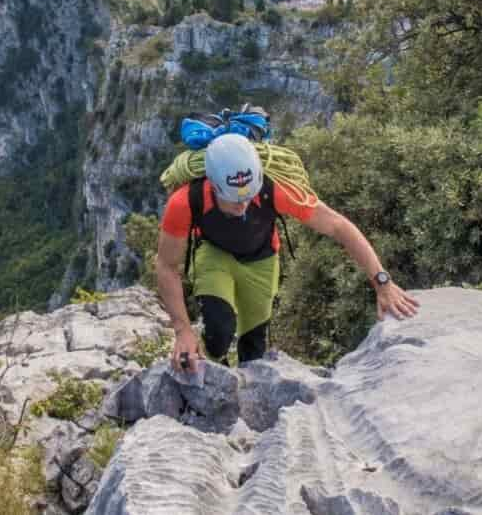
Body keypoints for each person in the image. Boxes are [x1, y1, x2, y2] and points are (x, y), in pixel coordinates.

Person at [156, 133, 420, 372]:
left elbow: (338, 226)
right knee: (219, 327)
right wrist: (182, 330)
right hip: (214, 253)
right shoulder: (185, 201)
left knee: (254, 341)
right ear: (212, 186)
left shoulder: (274, 190)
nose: (243, 205)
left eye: (248, 196)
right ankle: (211, 369)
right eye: (234, 200)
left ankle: (248, 388)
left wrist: (382, 282)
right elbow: (167, 267)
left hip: (262, 258)